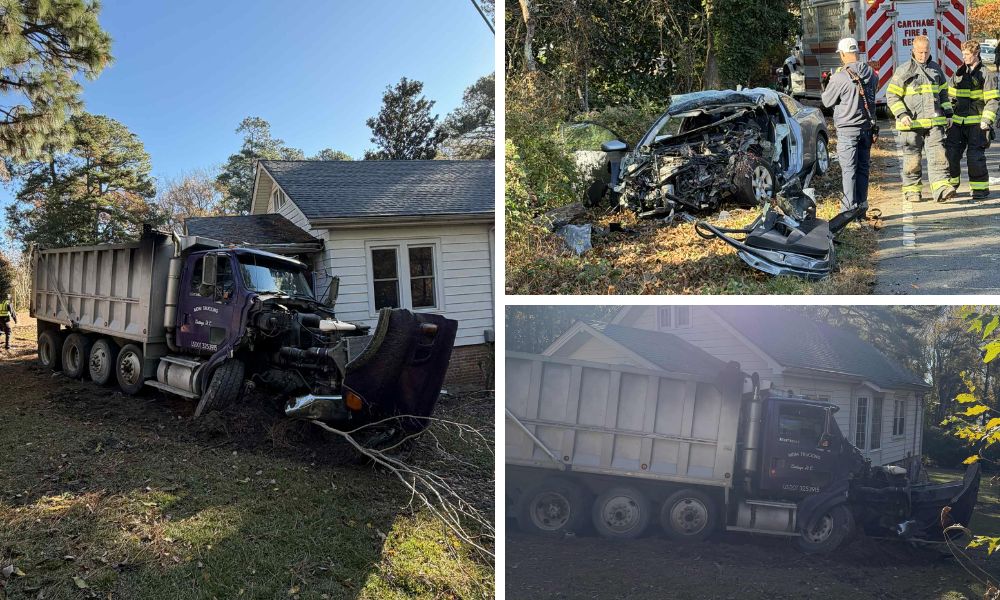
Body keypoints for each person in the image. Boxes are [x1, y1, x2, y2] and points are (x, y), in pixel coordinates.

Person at [886, 35, 956, 202]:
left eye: (926, 52)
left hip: (934, 124)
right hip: (912, 125)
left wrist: (949, 114)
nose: (923, 55)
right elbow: (892, 95)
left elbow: (944, 94)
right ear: (913, 51)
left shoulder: (936, 69)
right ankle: (912, 191)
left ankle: (941, 189)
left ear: (930, 50)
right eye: (919, 52)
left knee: (939, 156)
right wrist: (902, 115)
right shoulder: (904, 71)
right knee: (912, 159)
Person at [821, 37, 877, 215]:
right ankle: (861, 208)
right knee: (863, 169)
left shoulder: (839, 77)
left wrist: (827, 83)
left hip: (848, 130)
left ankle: (848, 212)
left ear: (843, 54)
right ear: (857, 52)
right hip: (867, 128)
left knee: (849, 171)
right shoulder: (870, 73)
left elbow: (827, 101)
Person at [946, 39, 999, 199]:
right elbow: (949, 95)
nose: (964, 57)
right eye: (963, 54)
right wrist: (948, 114)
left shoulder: (986, 74)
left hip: (977, 124)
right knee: (951, 154)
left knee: (974, 157)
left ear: (976, 54)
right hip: (957, 123)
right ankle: (950, 187)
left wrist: (986, 121)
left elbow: (993, 100)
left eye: (967, 54)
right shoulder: (959, 73)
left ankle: (980, 189)